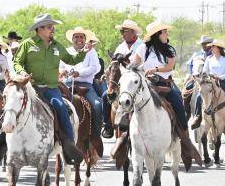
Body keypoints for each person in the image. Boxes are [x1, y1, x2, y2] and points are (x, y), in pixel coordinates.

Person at [12, 13, 88, 164]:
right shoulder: (28, 44)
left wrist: (83, 52)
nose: (52, 29)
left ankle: (69, 145)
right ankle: (2, 139)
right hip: (30, 87)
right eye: (48, 26)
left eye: (52, 26)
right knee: (11, 105)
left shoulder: (57, 46)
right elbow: (16, 62)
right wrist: (22, 73)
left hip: (51, 88)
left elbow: (71, 60)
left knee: (60, 106)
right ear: (39, 29)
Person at [130, 20, 202, 168]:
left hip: (165, 83)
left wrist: (155, 69)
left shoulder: (169, 49)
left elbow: (169, 66)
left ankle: (185, 140)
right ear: (158, 34)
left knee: (179, 104)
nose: (167, 34)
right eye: (165, 32)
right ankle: (124, 138)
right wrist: (139, 69)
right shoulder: (143, 48)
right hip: (146, 84)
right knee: (127, 104)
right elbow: (134, 65)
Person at [102, 19, 144, 138]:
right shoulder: (120, 47)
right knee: (105, 96)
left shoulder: (141, 46)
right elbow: (114, 66)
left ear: (133, 32)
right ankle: (108, 125)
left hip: (138, 80)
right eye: (122, 31)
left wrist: (128, 62)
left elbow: (144, 64)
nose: (123, 34)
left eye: (124, 31)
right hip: (122, 82)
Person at [61, 27, 104, 137]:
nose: (79, 39)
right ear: (72, 39)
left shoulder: (91, 51)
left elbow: (95, 67)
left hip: (85, 85)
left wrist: (79, 73)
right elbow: (59, 66)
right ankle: (58, 135)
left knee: (98, 105)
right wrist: (63, 71)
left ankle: (96, 135)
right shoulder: (66, 51)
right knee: (55, 103)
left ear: (85, 39)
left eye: (81, 37)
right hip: (68, 84)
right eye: (76, 37)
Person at [191, 39, 225, 131]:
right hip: (210, 83)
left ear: (218, 48)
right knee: (199, 96)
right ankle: (197, 116)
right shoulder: (209, 59)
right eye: (211, 46)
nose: (211, 48)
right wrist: (207, 76)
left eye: (213, 46)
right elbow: (205, 71)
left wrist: (219, 77)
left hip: (224, 82)